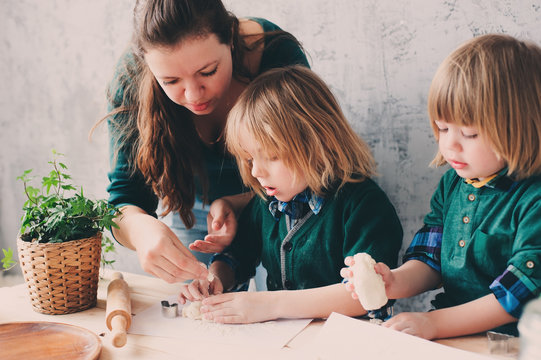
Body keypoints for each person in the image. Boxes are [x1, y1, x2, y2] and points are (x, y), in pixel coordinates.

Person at [342, 34, 541, 339]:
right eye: (443, 127)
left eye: (470, 133)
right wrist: (392, 281)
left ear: (521, 127)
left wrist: (434, 324)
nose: (450, 145)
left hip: (516, 340)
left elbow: (519, 295)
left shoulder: (534, 199)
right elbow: (429, 259)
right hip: (453, 332)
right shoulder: (453, 184)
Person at [100, 0, 309, 283]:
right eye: (171, 81)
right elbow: (124, 198)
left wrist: (240, 204)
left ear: (231, 41)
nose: (193, 95)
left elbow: (311, 164)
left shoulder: (274, 55)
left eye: (208, 72)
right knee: (200, 309)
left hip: (281, 203)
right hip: (191, 211)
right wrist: (140, 230)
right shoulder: (129, 81)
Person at [178, 66, 403, 323]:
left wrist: (270, 305)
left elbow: (365, 296)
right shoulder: (267, 203)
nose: (256, 171)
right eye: (249, 158)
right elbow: (237, 255)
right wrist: (215, 279)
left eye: (272, 156)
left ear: (320, 142)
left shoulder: (365, 207)